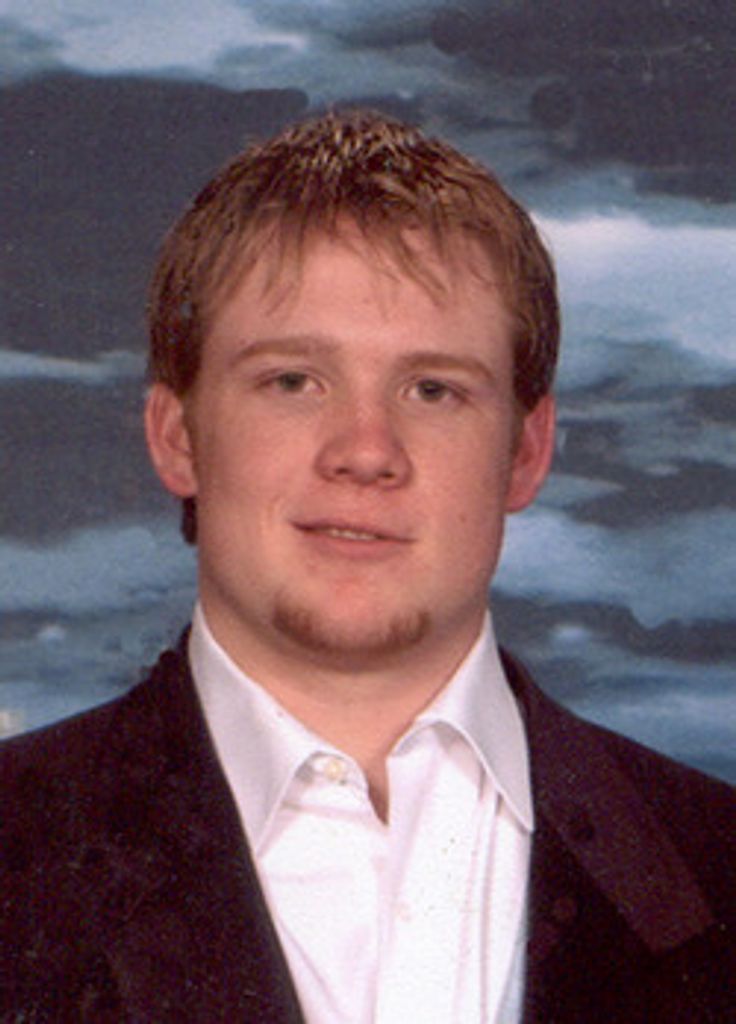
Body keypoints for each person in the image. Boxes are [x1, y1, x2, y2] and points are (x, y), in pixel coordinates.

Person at [1, 110, 733, 1023]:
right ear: (178, 435)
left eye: (433, 389)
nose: (365, 451)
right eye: (292, 381)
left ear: (526, 451)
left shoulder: (719, 866)